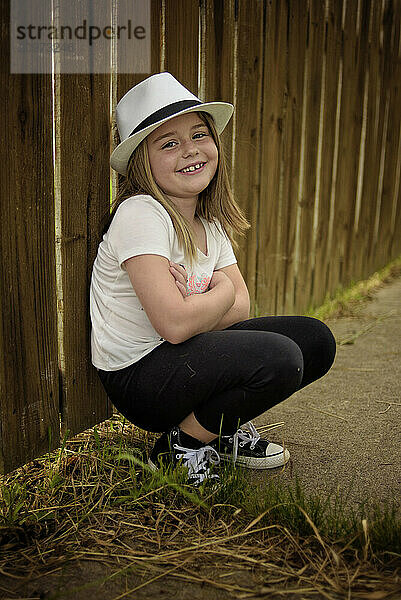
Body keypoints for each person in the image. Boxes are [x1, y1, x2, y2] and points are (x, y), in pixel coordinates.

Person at [90, 72, 336, 487]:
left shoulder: (208, 222)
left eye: (198, 135)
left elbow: (241, 307)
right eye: (168, 143)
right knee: (280, 358)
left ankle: (216, 432)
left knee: (314, 340)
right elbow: (174, 325)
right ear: (141, 162)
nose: (190, 151)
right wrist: (213, 296)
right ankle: (180, 447)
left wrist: (200, 301)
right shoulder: (141, 213)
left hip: (183, 356)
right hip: (141, 377)